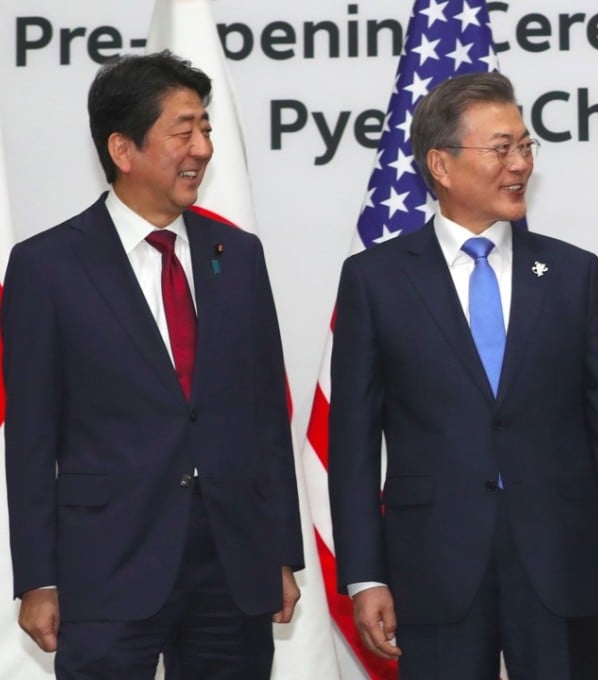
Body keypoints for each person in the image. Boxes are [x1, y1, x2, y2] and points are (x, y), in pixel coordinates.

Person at [328, 71, 598, 680]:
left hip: (562, 566)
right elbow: (353, 444)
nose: (520, 164)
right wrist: (365, 574)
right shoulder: (376, 281)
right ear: (440, 167)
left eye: (525, 146)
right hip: (433, 569)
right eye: (501, 148)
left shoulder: (574, 275)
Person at [2, 51, 303, 679]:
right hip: (108, 567)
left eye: (207, 129)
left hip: (232, 564)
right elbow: (30, 437)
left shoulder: (238, 256)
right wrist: (37, 579)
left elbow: (265, 415)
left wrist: (280, 553)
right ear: (123, 147)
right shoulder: (47, 266)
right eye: (183, 130)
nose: (202, 147)